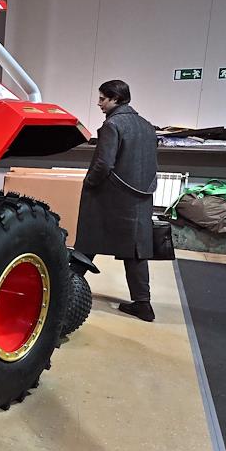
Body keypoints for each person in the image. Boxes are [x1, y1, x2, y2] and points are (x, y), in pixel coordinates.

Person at [74, 79, 159, 322]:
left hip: (110, 197)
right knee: (136, 251)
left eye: (103, 98)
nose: (99, 103)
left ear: (116, 99)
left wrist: (89, 182)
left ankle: (66, 287)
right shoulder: (147, 126)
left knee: (89, 240)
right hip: (139, 198)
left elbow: (103, 164)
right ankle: (143, 304)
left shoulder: (112, 125)